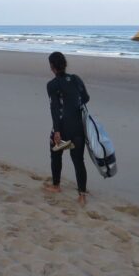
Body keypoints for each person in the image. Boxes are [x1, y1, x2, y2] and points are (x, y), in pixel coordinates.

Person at [44, 51, 90, 205]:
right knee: (78, 161)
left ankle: (56, 186)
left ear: (52, 66)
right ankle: (82, 195)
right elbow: (86, 98)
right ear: (64, 64)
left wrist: (57, 131)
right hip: (78, 130)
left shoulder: (52, 85)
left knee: (56, 154)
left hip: (63, 132)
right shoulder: (76, 79)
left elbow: (55, 108)